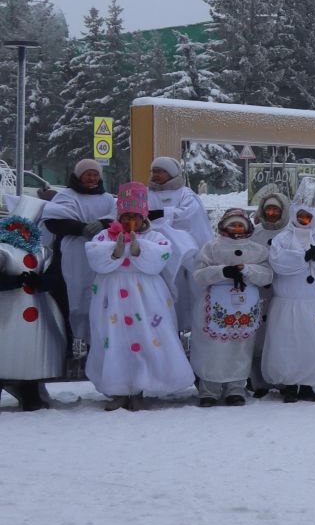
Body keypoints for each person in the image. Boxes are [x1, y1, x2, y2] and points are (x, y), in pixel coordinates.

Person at [84, 183, 192, 410]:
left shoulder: (155, 236)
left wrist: (137, 248)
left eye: (135, 216)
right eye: (125, 216)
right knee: (114, 338)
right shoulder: (106, 235)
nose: (129, 220)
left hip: (145, 296)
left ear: (144, 217)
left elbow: (160, 256)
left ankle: (142, 387)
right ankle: (118, 390)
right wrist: (114, 250)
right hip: (110, 297)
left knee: (145, 337)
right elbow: (94, 255)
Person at [188, 207, 272, 406]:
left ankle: (236, 388)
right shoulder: (212, 247)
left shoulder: (257, 249)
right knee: (212, 349)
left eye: (239, 224)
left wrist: (248, 270)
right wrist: (223, 271)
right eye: (232, 224)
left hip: (245, 306)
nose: (236, 228)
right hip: (216, 303)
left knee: (240, 348)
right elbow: (199, 274)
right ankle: (209, 390)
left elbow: (268, 275)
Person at [262, 203, 315, 401]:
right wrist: (302, 258)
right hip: (289, 304)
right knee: (288, 345)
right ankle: (290, 385)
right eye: (301, 216)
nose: (304, 220)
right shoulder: (283, 237)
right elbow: (277, 261)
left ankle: (308, 385)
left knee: (313, 344)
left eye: (308, 217)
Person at [41, 157, 116, 357]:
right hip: (75, 252)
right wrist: (81, 228)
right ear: (78, 175)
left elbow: (120, 218)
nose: (92, 178)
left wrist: (104, 224)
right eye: (87, 174)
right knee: (76, 294)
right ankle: (76, 338)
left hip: (103, 252)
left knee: (99, 296)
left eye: (95, 174)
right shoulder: (66, 196)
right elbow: (53, 221)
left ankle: (98, 342)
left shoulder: (108, 199)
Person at [0, 203, 67, 410]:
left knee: (31, 349)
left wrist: (41, 282)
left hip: (36, 309)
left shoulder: (42, 251)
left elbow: (55, 277)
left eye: (26, 229)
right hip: (6, 309)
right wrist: (12, 282)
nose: (22, 233)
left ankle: (30, 391)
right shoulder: (3, 249)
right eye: (18, 228)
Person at [147, 155, 213, 332]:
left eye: (161, 171)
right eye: (154, 171)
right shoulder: (146, 193)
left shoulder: (186, 194)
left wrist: (160, 214)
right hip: (153, 251)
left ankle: (185, 328)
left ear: (171, 173)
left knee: (183, 291)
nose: (156, 174)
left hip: (183, 254)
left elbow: (189, 217)